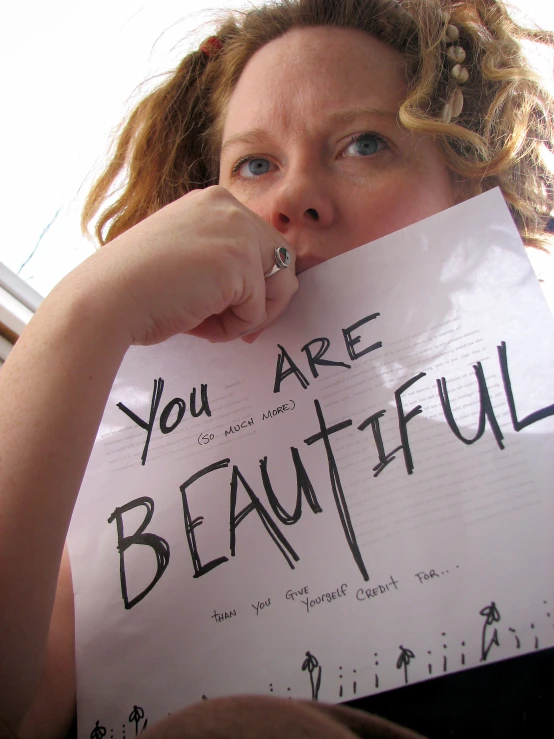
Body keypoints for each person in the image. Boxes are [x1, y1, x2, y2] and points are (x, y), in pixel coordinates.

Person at [1, 1, 553, 737]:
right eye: (255, 165)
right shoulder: (103, 517)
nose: (291, 198)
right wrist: (82, 318)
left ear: (466, 190)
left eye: (364, 144)